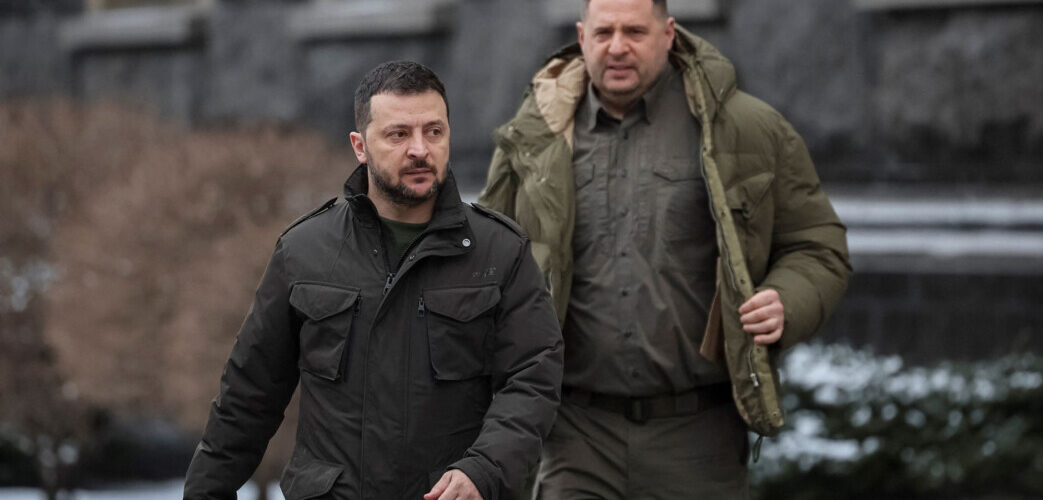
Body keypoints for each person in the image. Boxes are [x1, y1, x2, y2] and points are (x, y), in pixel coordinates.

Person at [479, 0, 852, 498]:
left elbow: (817, 243)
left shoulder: (744, 128)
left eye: (634, 32)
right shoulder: (535, 137)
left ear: (669, 33)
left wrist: (788, 299)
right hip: (577, 436)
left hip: (698, 438)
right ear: (582, 37)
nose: (617, 47)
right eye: (604, 33)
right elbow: (486, 261)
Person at [184, 60, 564, 500]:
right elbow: (248, 397)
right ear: (360, 146)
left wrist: (484, 469)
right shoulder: (304, 251)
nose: (420, 149)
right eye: (398, 134)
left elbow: (533, 379)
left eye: (434, 131)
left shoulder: (499, 251)